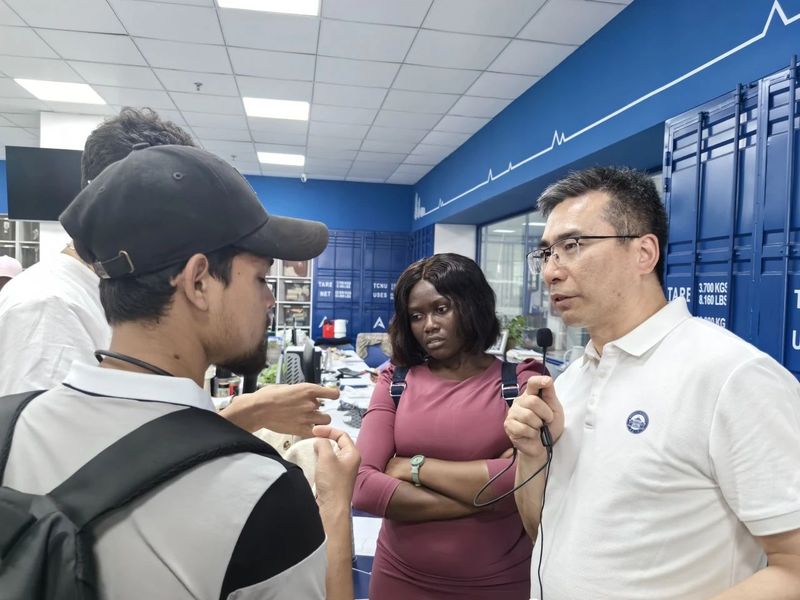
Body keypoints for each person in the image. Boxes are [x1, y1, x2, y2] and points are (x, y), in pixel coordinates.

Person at [2, 144, 359, 599]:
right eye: (260, 278)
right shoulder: (259, 493)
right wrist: (334, 506)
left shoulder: (10, 426)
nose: (270, 299)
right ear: (199, 282)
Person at [504, 166, 800, 599]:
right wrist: (531, 456)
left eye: (572, 246)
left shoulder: (732, 376)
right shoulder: (571, 381)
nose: (551, 271)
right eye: (547, 253)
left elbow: (793, 569)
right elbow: (541, 532)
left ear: (644, 253)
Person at [0, 107, 334, 440]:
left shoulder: (117, 293)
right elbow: (71, 461)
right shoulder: (45, 304)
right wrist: (246, 417)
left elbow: (139, 429)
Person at [352, 253, 544, 599]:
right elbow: (363, 486)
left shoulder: (521, 382)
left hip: (499, 584)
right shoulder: (396, 380)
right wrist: (486, 497)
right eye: (416, 316)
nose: (429, 325)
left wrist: (413, 467)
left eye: (441, 309)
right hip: (398, 577)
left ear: (473, 305)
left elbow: (527, 481)